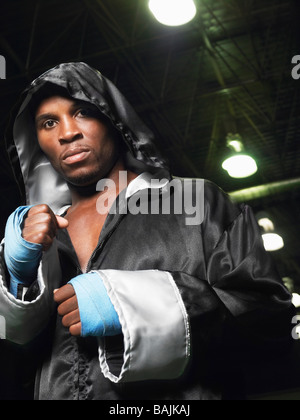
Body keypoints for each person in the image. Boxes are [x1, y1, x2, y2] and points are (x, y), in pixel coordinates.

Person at [0, 62, 295, 400]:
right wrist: (18, 283)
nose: (67, 133)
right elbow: (23, 371)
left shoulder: (195, 202)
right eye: (49, 123)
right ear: (37, 140)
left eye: (82, 112)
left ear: (113, 119)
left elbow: (269, 322)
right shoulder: (37, 238)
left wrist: (133, 305)